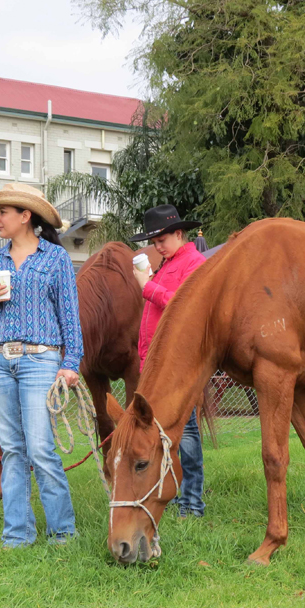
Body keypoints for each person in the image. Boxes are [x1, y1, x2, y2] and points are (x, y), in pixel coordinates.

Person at [0, 183, 83, 548]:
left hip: (40, 359)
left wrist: (71, 362)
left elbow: (70, 317)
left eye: (3, 212)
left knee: (39, 448)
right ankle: (17, 535)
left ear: (25, 216)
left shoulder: (55, 258)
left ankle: (62, 532)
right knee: (12, 450)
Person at [131, 204, 207, 517]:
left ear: (179, 233)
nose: (157, 246)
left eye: (162, 239)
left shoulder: (194, 263)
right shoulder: (169, 263)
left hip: (178, 363)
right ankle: (178, 494)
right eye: (154, 240)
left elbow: (183, 306)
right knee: (167, 432)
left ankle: (191, 501)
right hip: (158, 363)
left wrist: (147, 286)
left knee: (186, 431)